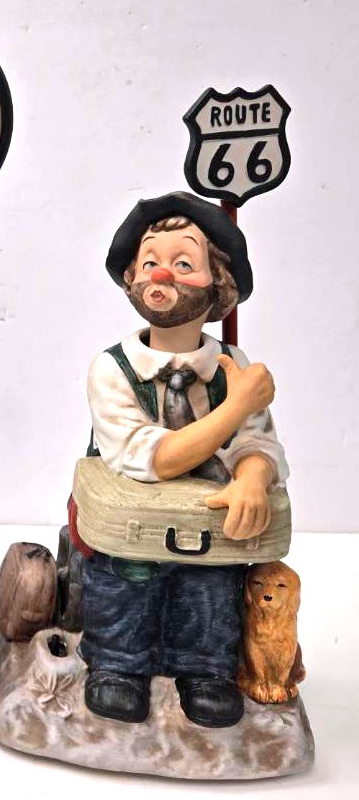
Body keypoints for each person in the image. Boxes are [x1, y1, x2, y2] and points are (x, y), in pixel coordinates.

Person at [77, 191, 288, 728]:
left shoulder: (230, 364)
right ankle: (119, 664)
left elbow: (256, 441)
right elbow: (152, 457)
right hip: (132, 519)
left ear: (220, 283)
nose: (162, 273)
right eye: (149, 260)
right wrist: (235, 405)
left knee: (209, 583)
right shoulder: (113, 369)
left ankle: (204, 668)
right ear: (132, 278)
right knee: (129, 581)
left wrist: (252, 478)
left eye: (184, 263)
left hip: (206, 520)